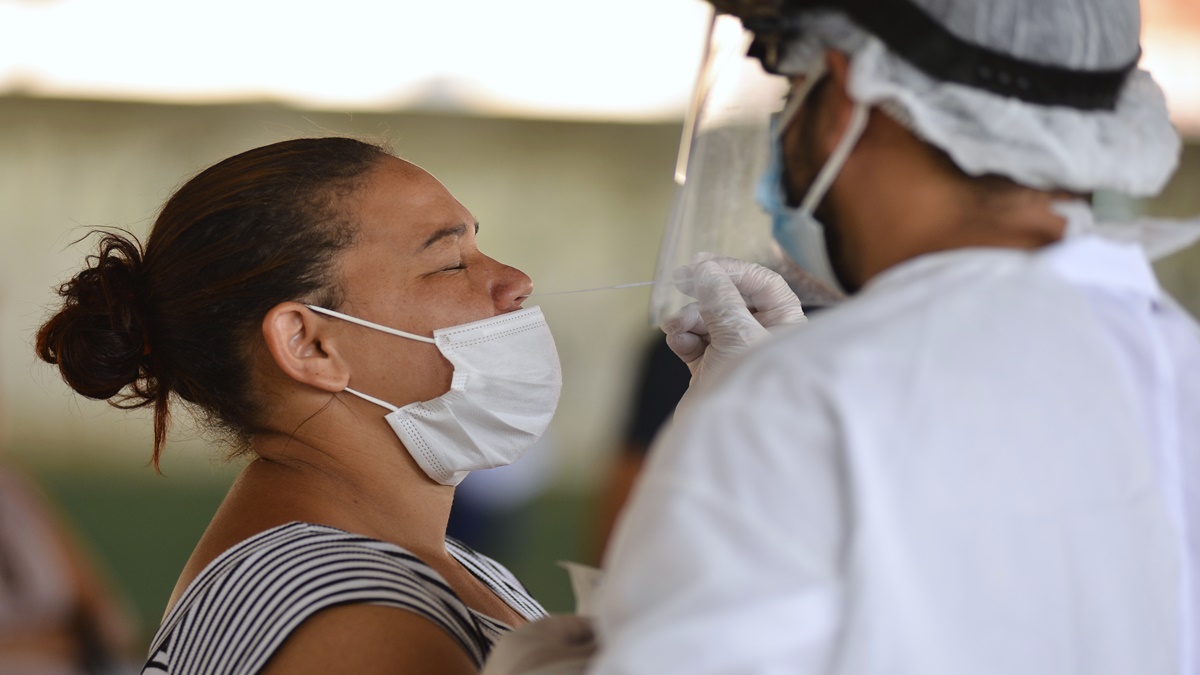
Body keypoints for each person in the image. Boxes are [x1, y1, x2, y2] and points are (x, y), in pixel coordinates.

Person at [489, 0, 1200, 673]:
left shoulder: (812, 396)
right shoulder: (1176, 362)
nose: (782, 133)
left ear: (844, 95)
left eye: (788, 92)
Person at [35, 137, 561, 674]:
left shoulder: (441, 571)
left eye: (475, 246)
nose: (516, 281)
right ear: (308, 345)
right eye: (450, 262)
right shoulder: (354, 620)